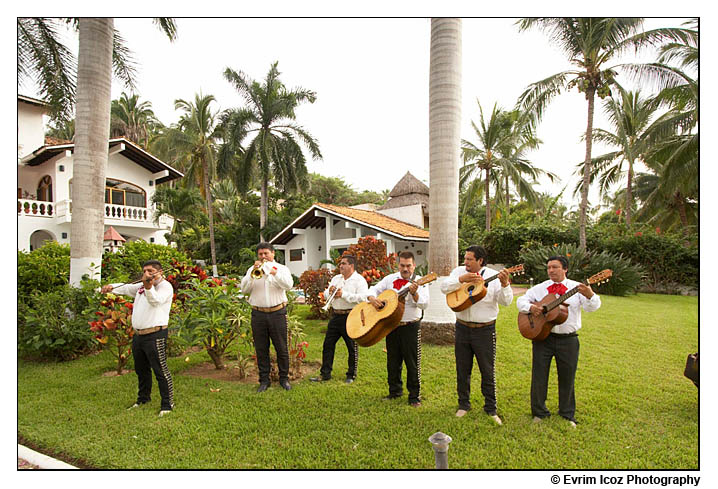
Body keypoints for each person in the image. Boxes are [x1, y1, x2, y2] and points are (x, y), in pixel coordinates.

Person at [516, 255, 601, 427]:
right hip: (542, 337)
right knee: (539, 376)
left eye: (555, 267)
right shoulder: (541, 288)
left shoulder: (577, 287)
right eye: (549, 267)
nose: (551, 270)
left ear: (565, 269)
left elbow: (592, 307)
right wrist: (532, 307)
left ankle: (567, 414)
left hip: (568, 340)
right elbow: (521, 300)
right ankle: (539, 412)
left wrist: (590, 294)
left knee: (567, 377)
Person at [440, 246, 512, 425]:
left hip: (485, 331)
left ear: (480, 261)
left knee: (487, 370)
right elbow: (444, 287)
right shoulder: (459, 272)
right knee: (462, 369)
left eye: (470, 259)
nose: (466, 262)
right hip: (462, 328)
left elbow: (507, 301)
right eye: (465, 258)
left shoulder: (494, 276)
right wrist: (460, 280)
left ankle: (491, 408)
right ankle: (463, 405)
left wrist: (505, 285)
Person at [101, 260, 175, 417]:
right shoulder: (141, 286)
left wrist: (148, 287)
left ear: (160, 272)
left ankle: (167, 404)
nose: (147, 274)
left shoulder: (165, 287)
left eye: (150, 271)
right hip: (139, 335)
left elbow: (155, 301)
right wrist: (111, 287)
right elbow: (126, 287)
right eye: (144, 271)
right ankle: (143, 399)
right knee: (141, 370)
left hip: (156, 334)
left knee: (160, 370)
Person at [364, 251, 429, 407]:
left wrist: (415, 295)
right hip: (391, 326)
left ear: (414, 265)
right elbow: (372, 289)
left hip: (410, 326)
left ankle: (414, 396)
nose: (405, 269)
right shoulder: (389, 279)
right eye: (402, 265)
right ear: (398, 264)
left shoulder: (421, 282)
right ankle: (394, 391)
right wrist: (372, 298)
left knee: (412, 362)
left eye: (408, 266)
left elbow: (424, 304)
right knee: (392, 360)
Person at [241, 242, 294, 393]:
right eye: (260, 254)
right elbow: (244, 289)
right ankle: (264, 380)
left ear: (273, 254)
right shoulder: (252, 270)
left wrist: (272, 272)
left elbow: (288, 285)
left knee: (281, 348)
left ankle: (284, 379)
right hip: (258, 314)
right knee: (261, 348)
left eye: (266, 253)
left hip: (277, 313)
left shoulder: (281, 269)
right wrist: (253, 274)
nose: (263, 257)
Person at [310, 255, 368, 384]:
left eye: (343, 263)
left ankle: (351, 375)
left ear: (351, 266)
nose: (340, 266)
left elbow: (363, 298)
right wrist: (329, 292)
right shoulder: (336, 279)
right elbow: (325, 294)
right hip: (336, 315)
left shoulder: (359, 280)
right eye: (340, 264)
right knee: (328, 345)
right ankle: (325, 374)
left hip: (351, 316)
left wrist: (344, 295)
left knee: (352, 347)